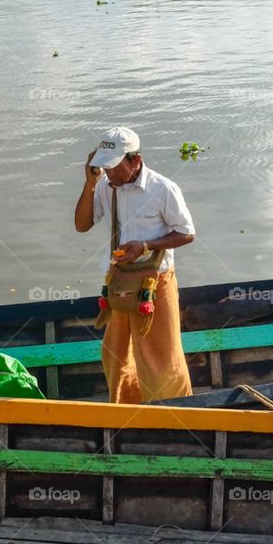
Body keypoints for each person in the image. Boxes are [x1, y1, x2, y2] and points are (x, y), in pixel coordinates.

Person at [74, 126, 195, 403]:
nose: (109, 173)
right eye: (104, 167)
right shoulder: (105, 186)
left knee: (162, 360)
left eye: (115, 167)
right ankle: (126, 413)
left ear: (135, 161)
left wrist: (146, 246)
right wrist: (90, 183)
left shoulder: (162, 188)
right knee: (116, 355)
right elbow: (82, 225)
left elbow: (187, 233)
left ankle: (175, 415)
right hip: (119, 283)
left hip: (155, 284)